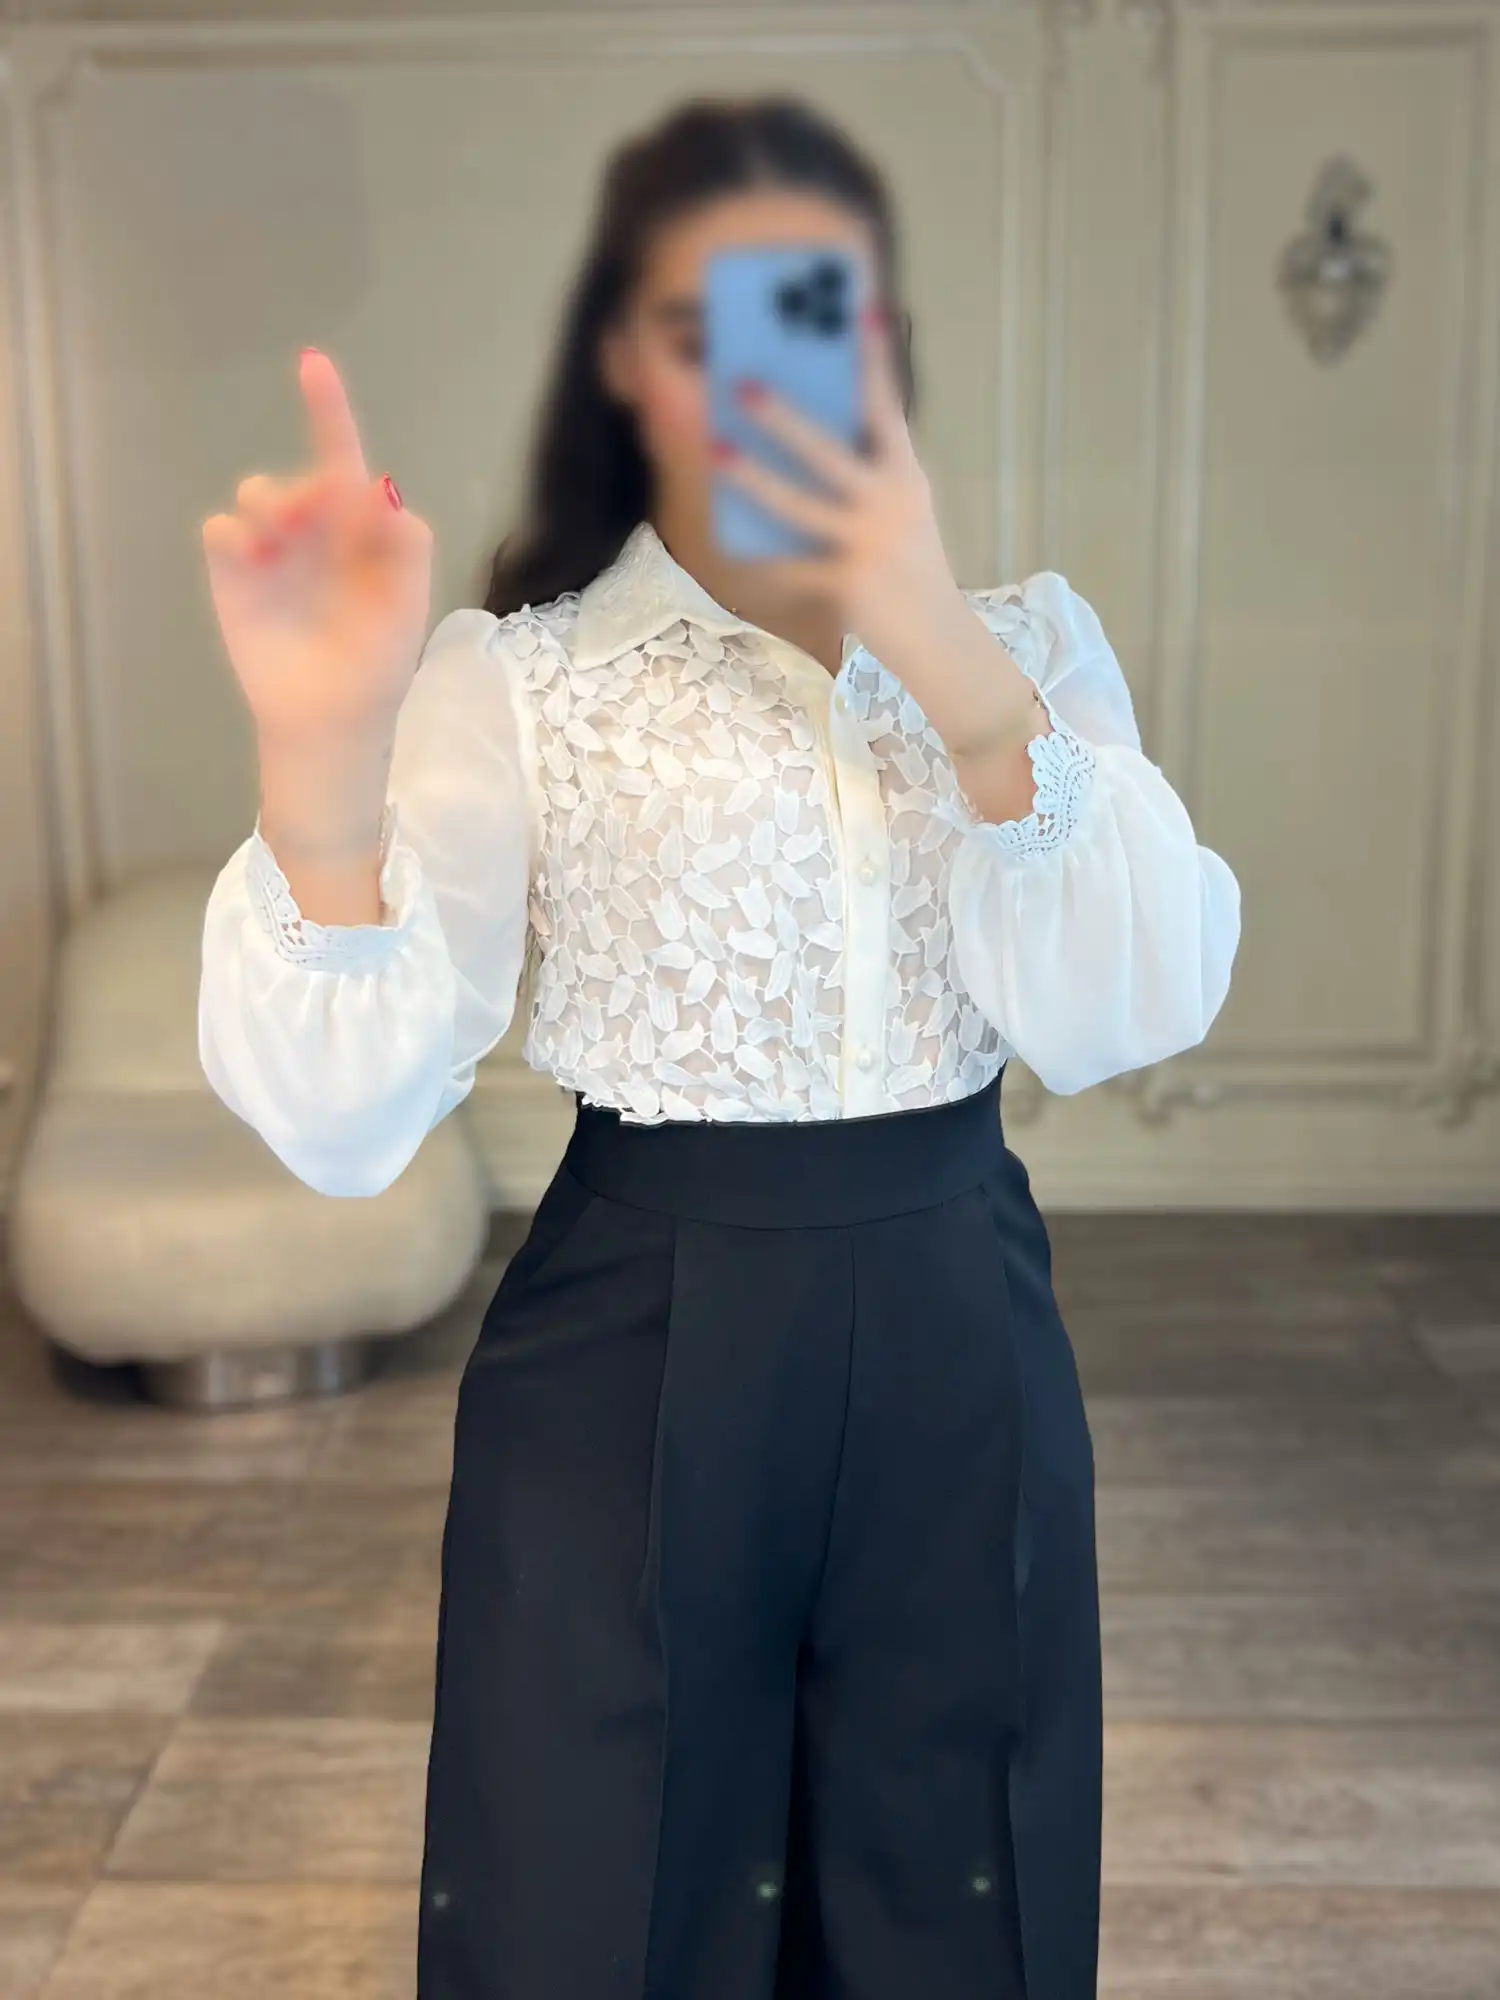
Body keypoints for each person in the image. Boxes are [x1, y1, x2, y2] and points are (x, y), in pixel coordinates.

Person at [197, 96, 1239, 2000]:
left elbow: (1136, 1008)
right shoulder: (520, 680)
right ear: (624, 365)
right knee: (595, 1897)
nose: (762, 378)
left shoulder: (1029, 651)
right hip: (632, 1352)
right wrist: (316, 757)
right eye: (701, 325)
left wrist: (943, 652)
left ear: (888, 348)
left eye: (814, 315)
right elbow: (344, 1123)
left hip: (961, 1342)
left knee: (963, 1907)